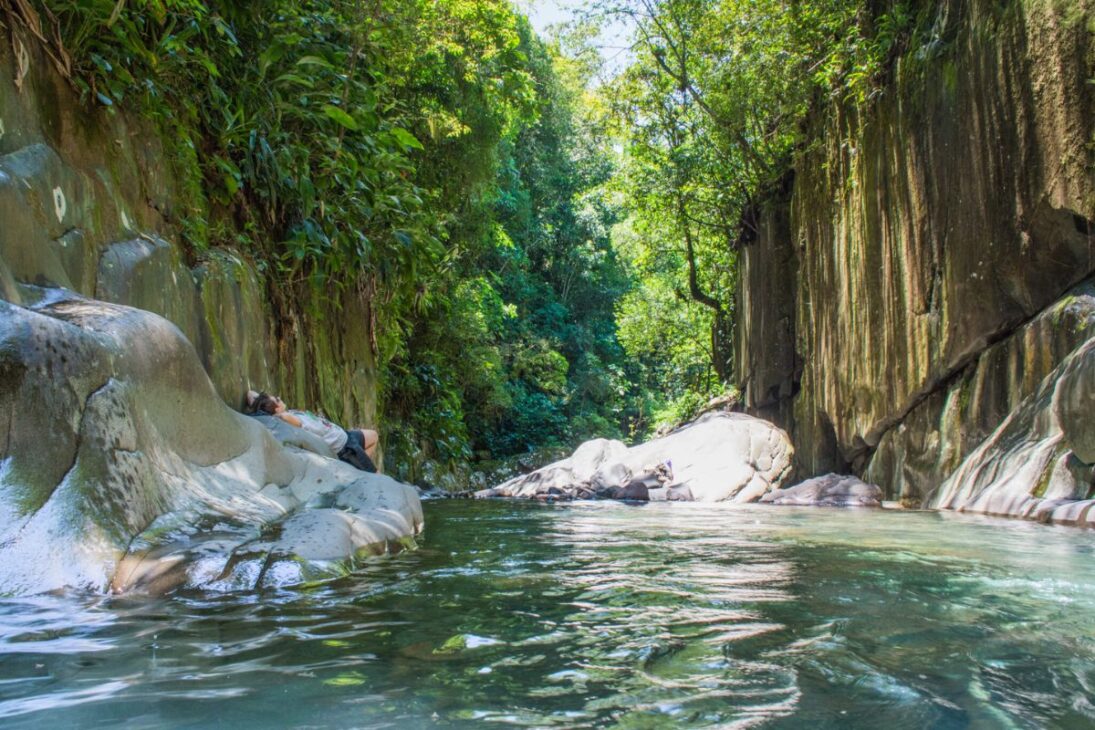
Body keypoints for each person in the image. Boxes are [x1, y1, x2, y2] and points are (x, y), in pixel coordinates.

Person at [248, 391, 378, 473]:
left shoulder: (290, 413)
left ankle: (359, 468)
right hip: (345, 448)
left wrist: (261, 400)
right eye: (277, 399)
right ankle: (362, 470)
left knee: (373, 436)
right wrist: (276, 415)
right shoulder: (289, 419)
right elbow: (283, 418)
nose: (279, 397)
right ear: (276, 409)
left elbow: (250, 393)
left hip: (346, 435)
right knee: (375, 476)